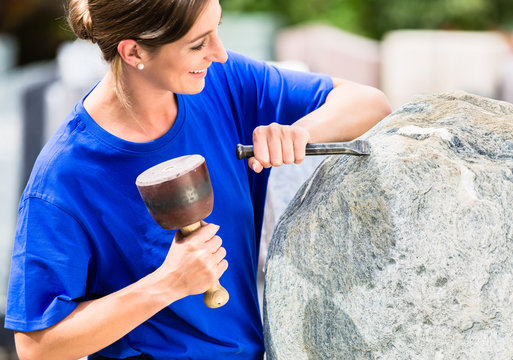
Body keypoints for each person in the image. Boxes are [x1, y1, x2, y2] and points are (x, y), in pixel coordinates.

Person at [4, 0, 392, 358]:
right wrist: (166, 284)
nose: (219, 52)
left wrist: (301, 132)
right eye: (197, 44)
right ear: (134, 51)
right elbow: (38, 346)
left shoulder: (224, 82)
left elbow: (370, 103)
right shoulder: (64, 176)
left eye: (217, 29)